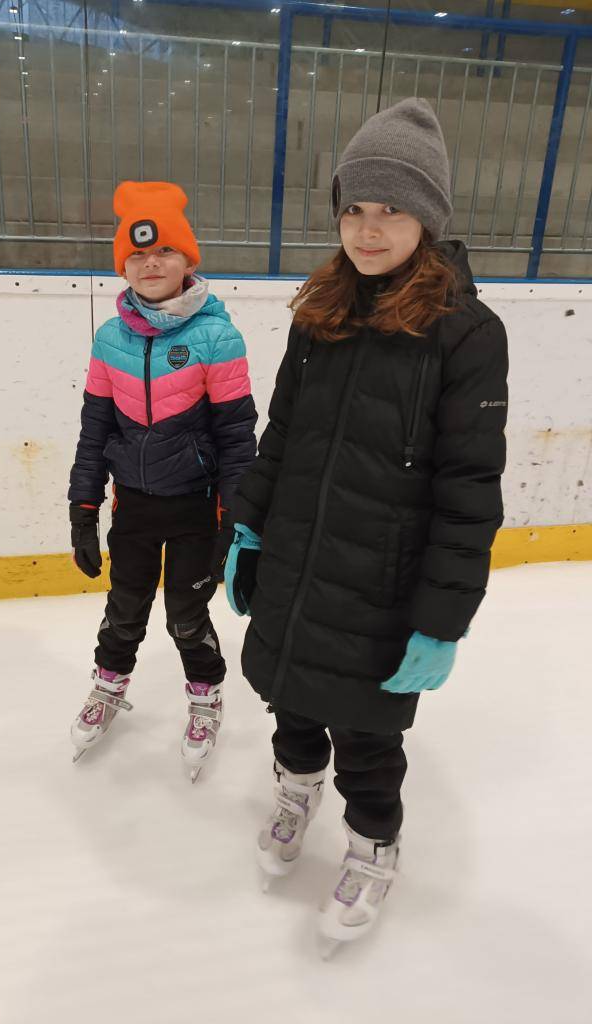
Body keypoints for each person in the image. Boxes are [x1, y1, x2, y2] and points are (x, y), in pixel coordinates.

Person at [224, 98, 508, 951]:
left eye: (392, 210)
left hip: (382, 580)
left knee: (371, 736)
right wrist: (249, 530)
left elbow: (471, 486)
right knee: (291, 702)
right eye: (355, 207)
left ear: (429, 217)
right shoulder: (319, 314)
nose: (369, 228)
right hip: (300, 562)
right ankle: (294, 788)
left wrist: (443, 618)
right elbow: (280, 438)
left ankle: (373, 844)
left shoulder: (466, 333)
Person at [68, 181, 257, 781]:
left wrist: (239, 519)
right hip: (135, 507)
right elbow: (95, 428)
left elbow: (236, 436)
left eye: (165, 253)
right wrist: (83, 505)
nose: (151, 264)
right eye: (137, 256)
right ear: (123, 265)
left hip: (197, 508)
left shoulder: (216, 336)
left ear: (187, 260)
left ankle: (205, 698)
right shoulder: (109, 338)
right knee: (124, 607)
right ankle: (108, 687)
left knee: (184, 612)